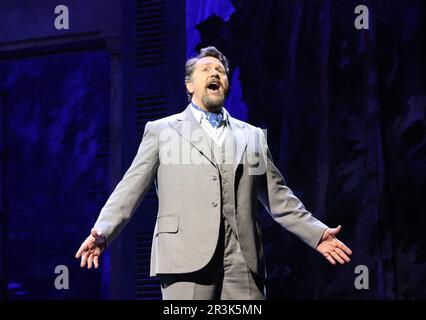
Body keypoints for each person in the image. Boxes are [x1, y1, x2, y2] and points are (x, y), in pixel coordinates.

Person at [75, 46, 352, 300]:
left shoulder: (252, 136)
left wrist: (316, 233)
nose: (215, 73)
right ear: (189, 85)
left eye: (220, 70)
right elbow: (130, 187)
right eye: (206, 69)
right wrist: (103, 230)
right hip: (185, 259)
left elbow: (278, 197)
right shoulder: (162, 131)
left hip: (243, 263)